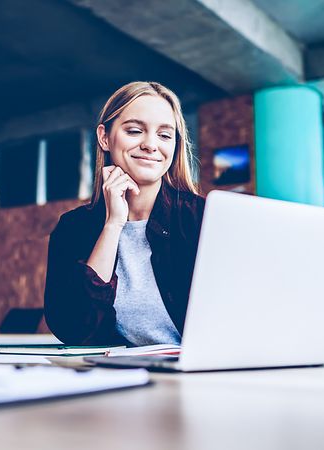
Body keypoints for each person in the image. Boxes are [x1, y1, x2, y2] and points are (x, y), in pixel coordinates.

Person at [44, 81, 205, 346]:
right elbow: (74, 328)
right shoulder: (74, 228)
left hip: (201, 377)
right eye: (134, 131)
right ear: (104, 137)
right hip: (118, 377)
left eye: (165, 135)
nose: (151, 145)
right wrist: (113, 224)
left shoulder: (202, 218)